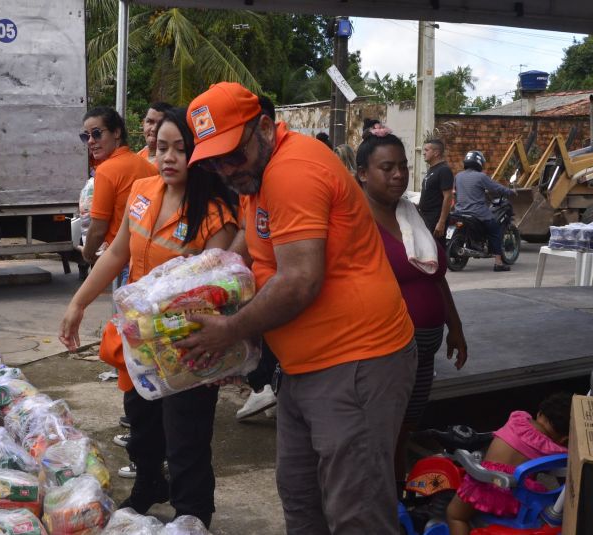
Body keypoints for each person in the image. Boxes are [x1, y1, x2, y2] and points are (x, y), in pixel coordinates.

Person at [177, 82, 418, 535]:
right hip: (304, 366)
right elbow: (246, 249)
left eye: (233, 154)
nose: (226, 169)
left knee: (356, 510)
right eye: (214, 160)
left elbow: (299, 280)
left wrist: (228, 330)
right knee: (301, 498)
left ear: (264, 128)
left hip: (355, 360)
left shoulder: (293, 170)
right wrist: (198, 281)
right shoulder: (256, 175)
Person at [60, 108, 239, 528]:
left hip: (188, 343)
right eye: (162, 148)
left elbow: (221, 291)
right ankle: (148, 486)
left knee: (186, 437)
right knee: (141, 424)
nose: (169, 157)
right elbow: (118, 253)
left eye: (180, 148)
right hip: (140, 338)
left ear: (198, 155)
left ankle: (193, 512)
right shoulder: (143, 190)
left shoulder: (215, 214)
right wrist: (78, 303)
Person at [356, 125, 468, 487]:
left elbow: (434, 276)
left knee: (405, 428)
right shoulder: (356, 222)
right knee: (382, 432)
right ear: (362, 173)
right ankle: (380, 503)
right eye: (386, 168)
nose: (399, 175)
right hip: (387, 350)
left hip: (425, 347)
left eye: (403, 166)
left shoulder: (410, 214)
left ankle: (395, 501)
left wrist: (456, 327)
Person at [446, 392, 572, 535]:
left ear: (539, 413)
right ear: (563, 439)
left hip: (485, 485)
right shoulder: (554, 450)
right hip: (516, 499)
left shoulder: (517, 418)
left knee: (455, 516)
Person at [81, 106, 157, 265]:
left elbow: (98, 229)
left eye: (96, 133)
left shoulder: (105, 171)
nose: (90, 141)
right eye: (85, 136)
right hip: (147, 254)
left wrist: (87, 254)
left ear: (116, 132)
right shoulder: (147, 166)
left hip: (121, 259)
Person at [452, 150, 515, 272]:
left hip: (459, 212)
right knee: (495, 230)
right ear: (479, 163)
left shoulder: (458, 176)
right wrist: (510, 191)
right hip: (478, 213)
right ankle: (498, 263)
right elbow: (495, 187)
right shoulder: (481, 177)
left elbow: (458, 192)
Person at [418, 138, 455, 238]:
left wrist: (441, 222)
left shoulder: (443, 170)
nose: (423, 153)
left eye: (426, 150)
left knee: (436, 250)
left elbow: (448, 197)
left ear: (436, 153)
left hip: (435, 219)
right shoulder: (432, 170)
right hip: (426, 217)